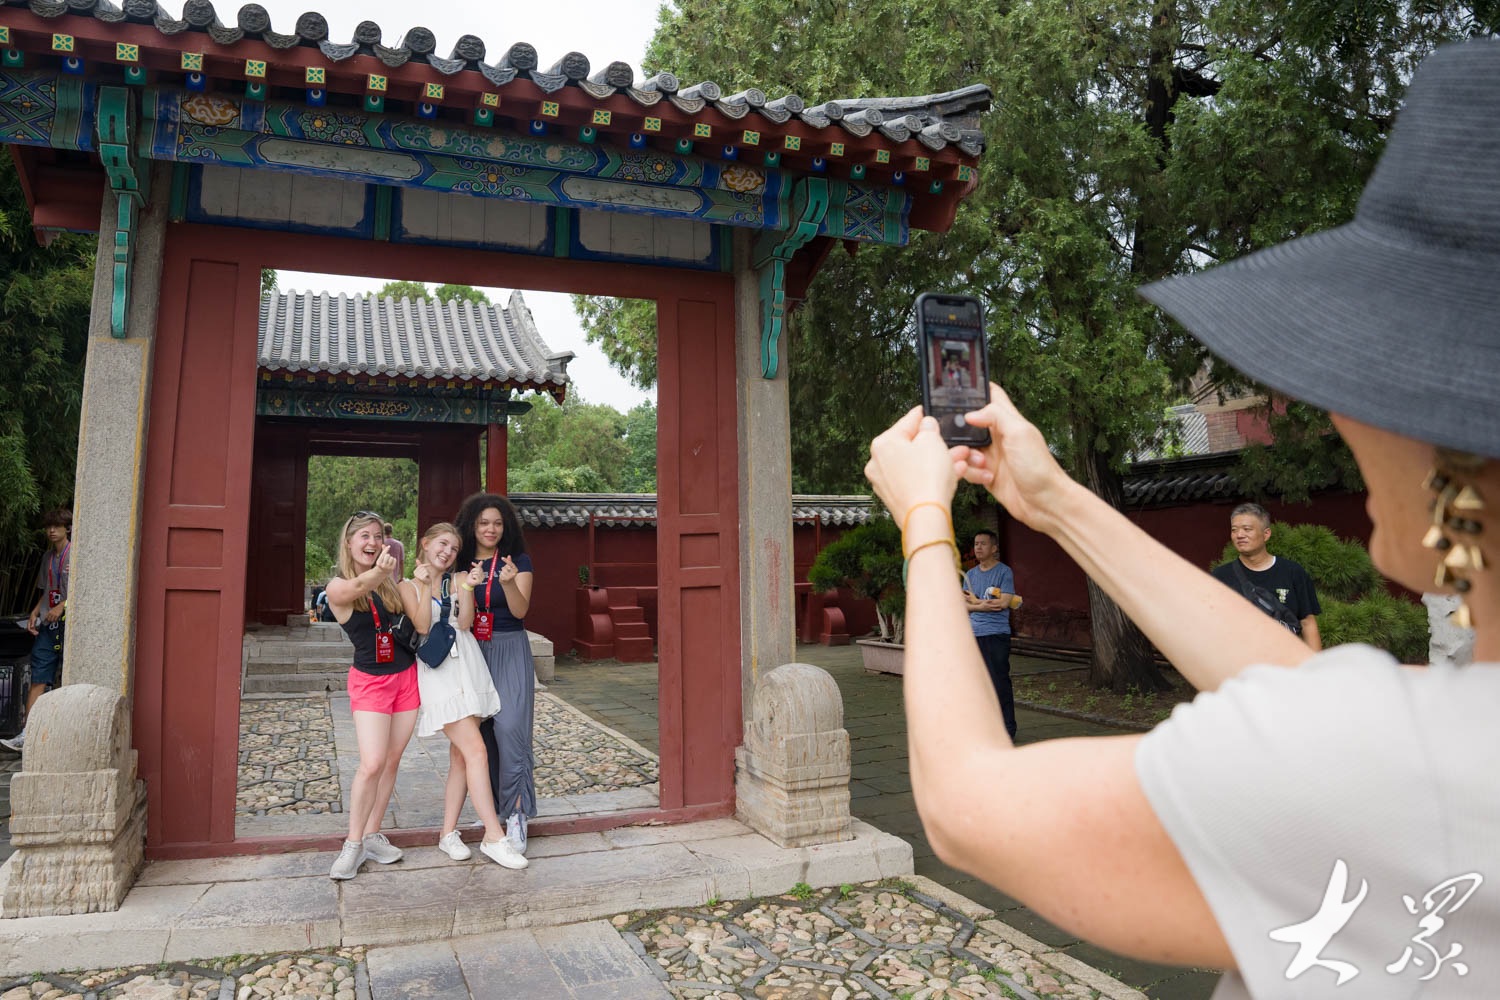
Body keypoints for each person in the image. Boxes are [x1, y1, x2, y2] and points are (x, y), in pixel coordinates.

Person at [862, 40, 1500, 999]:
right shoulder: (1450, 740)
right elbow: (1312, 697)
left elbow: (967, 804)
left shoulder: (1413, 776)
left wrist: (923, 518)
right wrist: (1055, 501)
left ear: (1459, 441)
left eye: (1370, 366)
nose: (1340, 411)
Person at [398, 523, 527, 870]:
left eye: (454, 548)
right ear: (426, 544)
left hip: (469, 667)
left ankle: (447, 833)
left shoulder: (457, 580)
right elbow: (422, 625)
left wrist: (468, 587)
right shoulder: (407, 586)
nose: (448, 552)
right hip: (439, 674)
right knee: (477, 750)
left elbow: (466, 622)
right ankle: (494, 836)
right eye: (442, 544)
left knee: (460, 756)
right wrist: (424, 585)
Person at [324, 511, 417, 880]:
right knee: (372, 763)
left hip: (406, 677)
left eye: (378, 536)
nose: (373, 542)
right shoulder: (338, 587)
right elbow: (357, 588)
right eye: (364, 535)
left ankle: (373, 834)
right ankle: (352, 844)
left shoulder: (389, 584)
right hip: (371, 682)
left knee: (392, 761)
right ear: (349, 543)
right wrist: (380, 572)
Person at [455, 492, 538, 856]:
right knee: (483, 734)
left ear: (506, 527)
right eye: (483, 523)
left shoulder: (517, 560)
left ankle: (517, 813)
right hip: (474, 650)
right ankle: (492, 811)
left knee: (511, 729)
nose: (490, 529)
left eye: (498, 523)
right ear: (472, 526)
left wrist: (507, 583)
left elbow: (520, 611)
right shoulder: (461, 561)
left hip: (510, 647)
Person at [1, 508, 71, 754]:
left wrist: (62, 606)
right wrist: (34, 612)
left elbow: (83, 590)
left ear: (67, 528)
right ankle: (27, 735)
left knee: (67, 678)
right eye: (48, 527)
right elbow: (48, 591)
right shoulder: (47, 558)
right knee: (39, 676)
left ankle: (65, 735)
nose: (51, 531)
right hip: (48, 626)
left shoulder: (76, 555)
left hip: (70, 625)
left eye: (57, 526)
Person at [1211, 503, 1322, 650]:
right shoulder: (1221, 576)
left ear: (1266, 534)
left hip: (1284, 658)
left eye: (1247, 529)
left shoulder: (1292, 572)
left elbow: (1307, 623)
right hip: (1238, 659)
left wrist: (1316, 663)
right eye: (1234, 530)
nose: (1239, 535)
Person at [963, 529, 1018, 738]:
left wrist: (976, 602)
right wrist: (981, 605)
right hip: (973, 635)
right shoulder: (970, 575)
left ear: (994, 548)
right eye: (976, 543)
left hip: (996, 635)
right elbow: (963, 606)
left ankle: (1007, 729)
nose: (978, 547)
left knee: (999, 682)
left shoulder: (1004, 572)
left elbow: (1003, 603)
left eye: (983, 543)